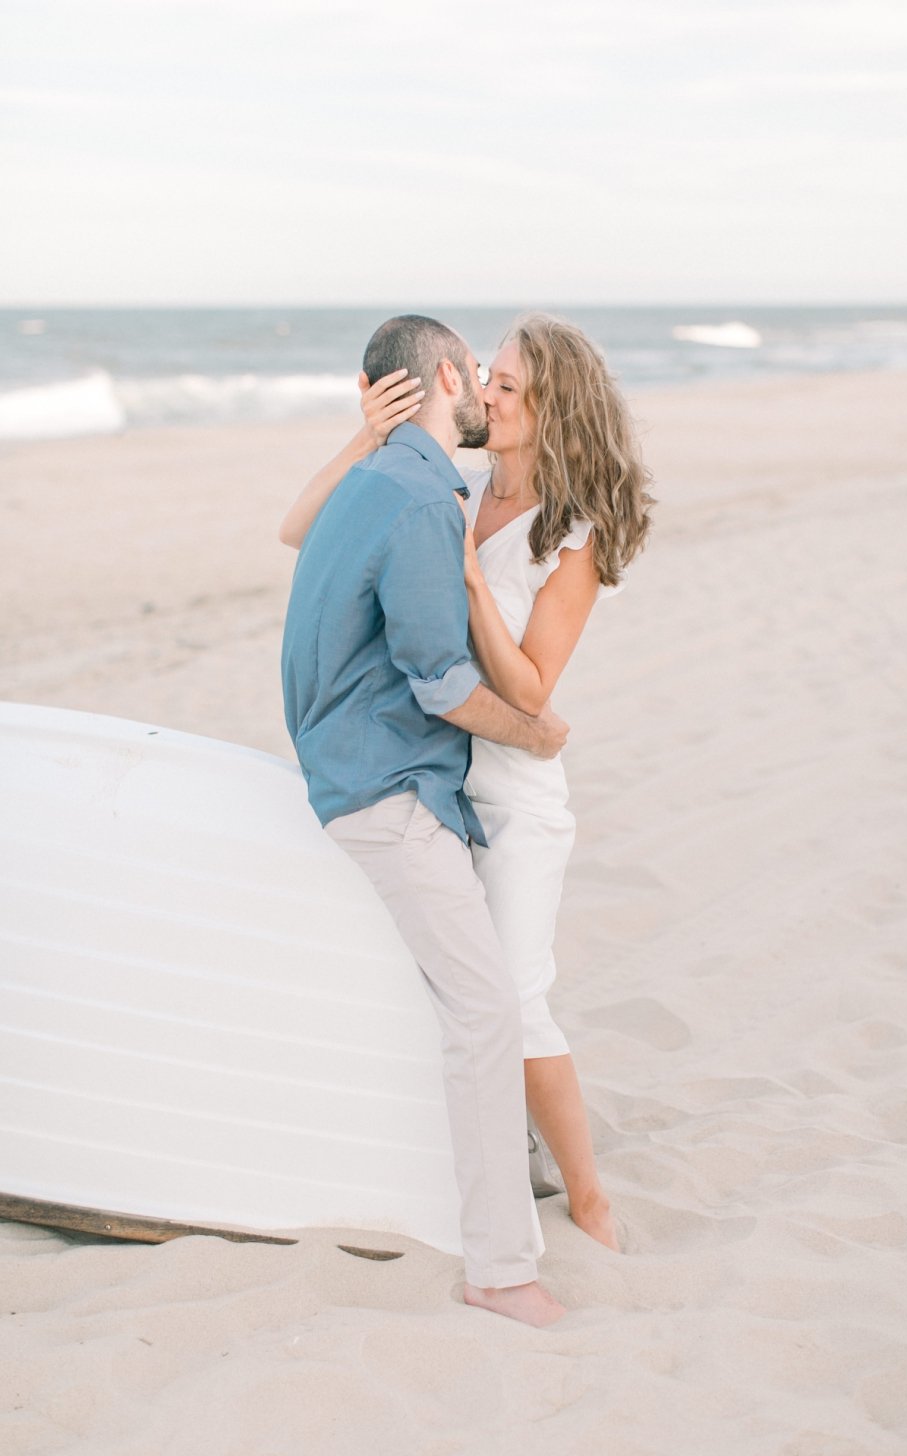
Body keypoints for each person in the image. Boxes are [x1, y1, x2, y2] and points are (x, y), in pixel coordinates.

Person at [281, 312, 654, 1256]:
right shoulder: (455, 483)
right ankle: (516, 1158)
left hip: (515, 795)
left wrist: (471, 582)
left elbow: (531, 688)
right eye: (487, 376)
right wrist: (369, 436)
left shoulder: (573, 534)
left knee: (516, 1000)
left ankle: (589, 1195)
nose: (487, 394)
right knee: (469, 994)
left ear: (552, 408)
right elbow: (299, 530)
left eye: (509, 386)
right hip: (445, 777)